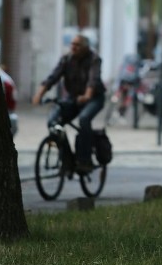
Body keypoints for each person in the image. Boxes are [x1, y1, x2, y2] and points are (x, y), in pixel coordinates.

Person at [32, 34, 106, 172]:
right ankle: (67, 160)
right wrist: (39, 94)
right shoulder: (66, 59)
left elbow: (93, 79)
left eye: (77, 45)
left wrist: (87, 95)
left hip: (94, 98)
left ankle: (84, 160)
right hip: (74, 98)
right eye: (72, 44)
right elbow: (53, 76)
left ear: (86, 47)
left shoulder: (94, 59)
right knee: (53, 121)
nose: (73, 47)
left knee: (84, 119)